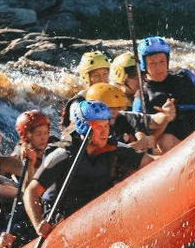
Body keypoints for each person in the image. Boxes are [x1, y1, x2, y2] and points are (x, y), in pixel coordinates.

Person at [23, 100, 145, 237]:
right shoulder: (62, 154)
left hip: (96, 211)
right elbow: (31, 191)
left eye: (106, 125)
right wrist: (39, 223)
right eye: (99, 127)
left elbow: (147, 162)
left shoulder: (111, 147)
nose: (105, 132)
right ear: (85, 128)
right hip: (62, 219)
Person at [138, 36, 195, 152]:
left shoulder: (185, 75)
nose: (158, 68)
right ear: (144, 65)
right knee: (165, 141)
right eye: (152, 63)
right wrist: (164, 119)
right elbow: (142, 135)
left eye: (162, 61)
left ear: (167, 61)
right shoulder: (142, 95)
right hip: (176, 144)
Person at [85, 81, 163, 157]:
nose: (115, 112)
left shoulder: (122, 118)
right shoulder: (94, 131)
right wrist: (140, 144)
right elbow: (108, 154)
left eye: (117, 108)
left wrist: (166, 115)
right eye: (110, 108)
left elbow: (154, 121)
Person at [60, 50, 112, 130]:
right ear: (86, 78)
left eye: (105, 74)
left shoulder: (112, 96)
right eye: (96, 75)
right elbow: (72, 131)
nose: (102, 79)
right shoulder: (79, 102)